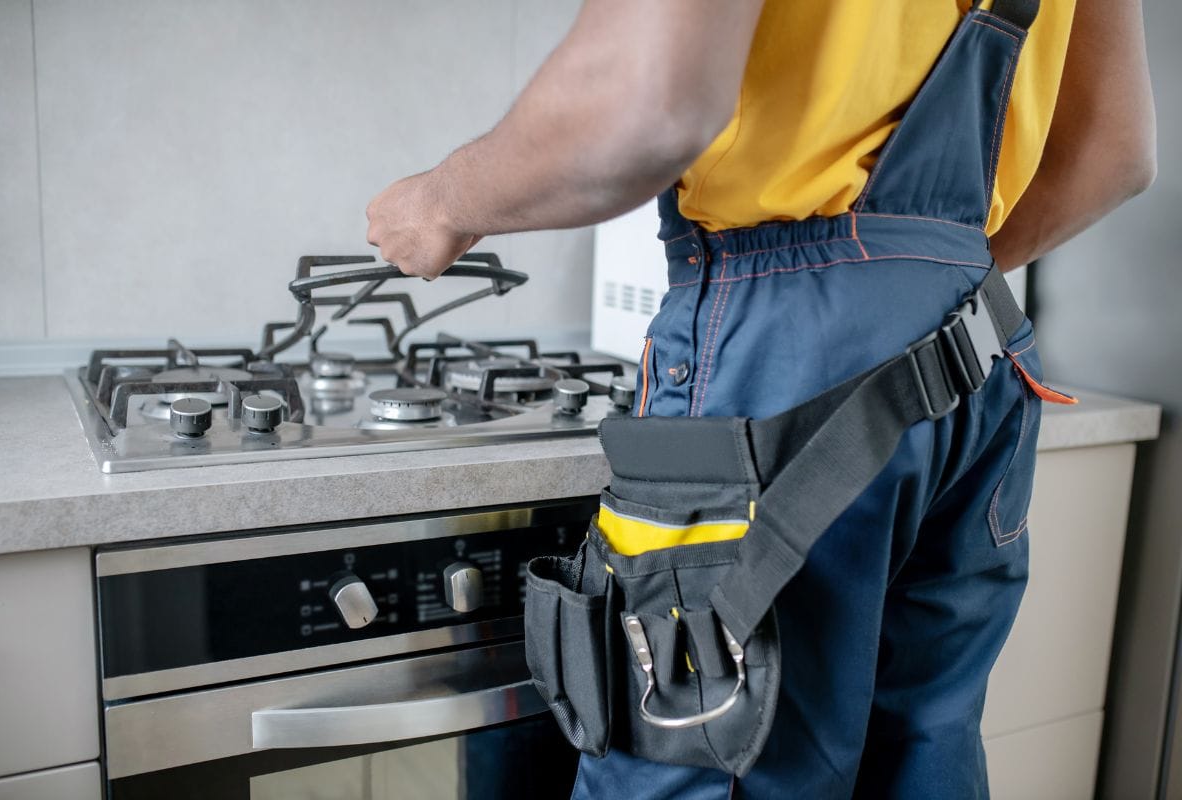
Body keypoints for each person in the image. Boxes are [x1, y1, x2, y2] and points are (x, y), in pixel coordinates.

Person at [365, 0, 1156, 796]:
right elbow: (1115, 153)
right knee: (921, 753)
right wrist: (914, 288)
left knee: (706, 762)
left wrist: (442, 201)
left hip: (780, 354)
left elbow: (648, 103)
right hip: (975, 349)